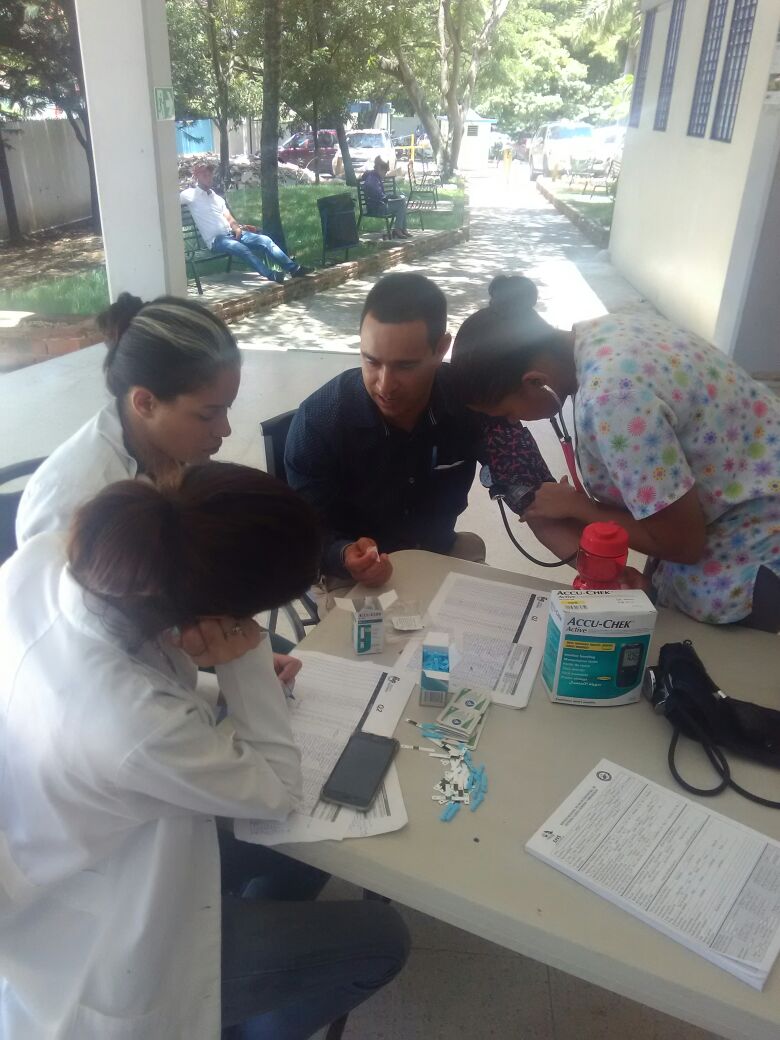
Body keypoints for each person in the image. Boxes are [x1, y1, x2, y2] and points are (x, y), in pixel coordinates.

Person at [0, 462, 409, 1039]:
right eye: (249, 618)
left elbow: (139, 684)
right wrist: (244, 660)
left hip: (67, 844)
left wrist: (218, 678)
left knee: (298, 850)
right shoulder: (131, 724)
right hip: (110, 949)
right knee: (383, 939)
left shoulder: (49, 559)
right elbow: (278, 790)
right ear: (214, 615)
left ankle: (256, 933)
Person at [450, 275, 780, 631]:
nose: (514, 422)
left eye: (507, 412)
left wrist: (577, 505)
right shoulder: (606, 331)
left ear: (535, 381)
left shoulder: (612, 401)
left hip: (755, 550)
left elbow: (682, 543)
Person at [17, 291, 298, 664]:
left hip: (176, 631)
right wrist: (223, 674)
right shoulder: (75, 497)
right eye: (208, 414)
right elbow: (72, 654)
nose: (225, 430)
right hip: (117, 667)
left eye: (226, 409)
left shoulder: (168, 452)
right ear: (145, 402)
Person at [180, 162, 312, 283]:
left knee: (265, 240)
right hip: (216, 241)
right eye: (204, 174)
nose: (208, 177)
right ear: (196, 176)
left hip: (232, 234)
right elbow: (171, 201)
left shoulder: (216, 197)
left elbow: (228, 217)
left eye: (209, 174)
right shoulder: (189, 195)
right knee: (241, 248)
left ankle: (294, 269)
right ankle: (272, 275)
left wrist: (237, 228)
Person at [361, 156, 411, 240]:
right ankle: (399, 229)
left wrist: (391, 197)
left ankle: (402, 229)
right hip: (376, 208)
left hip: (379, 205)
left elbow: (380, 195)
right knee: (401, 204)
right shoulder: (372, 179)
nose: (385, 174)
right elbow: (378, 196)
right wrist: (388, 198)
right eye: (384, 172)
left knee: (401, 202)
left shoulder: (374, 177)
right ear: (379, 169)